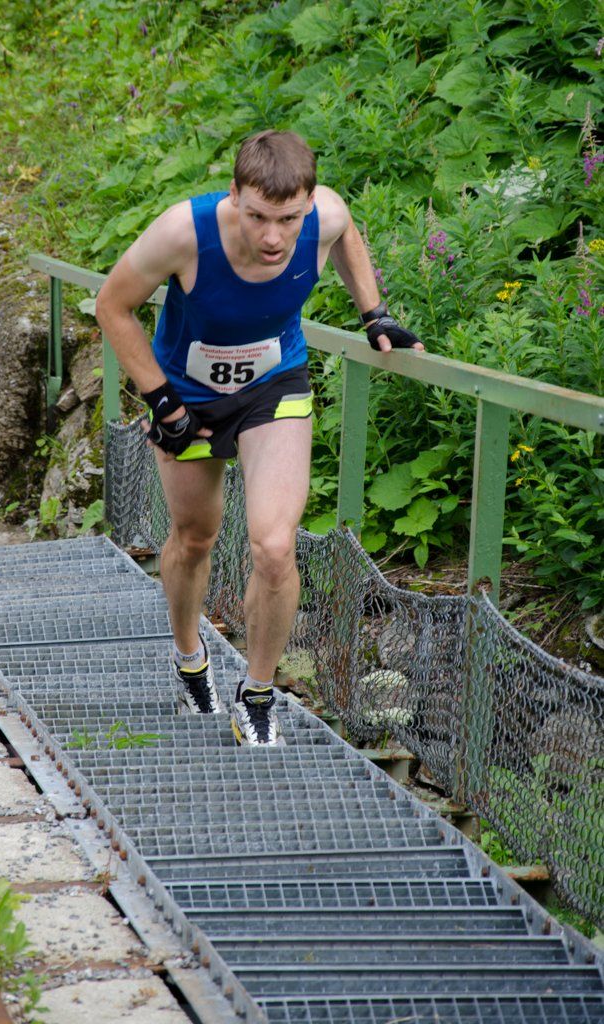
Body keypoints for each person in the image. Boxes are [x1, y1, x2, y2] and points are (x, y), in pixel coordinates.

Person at [95, 130, 423, 746]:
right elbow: (112, 305)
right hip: (186, 394)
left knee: (274, 546)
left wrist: (373, 313)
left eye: (289, 219)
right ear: (234, 197)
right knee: (195, 537)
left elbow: (345, 232)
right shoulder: (184, 233)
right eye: (257, 217)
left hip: (274, 384)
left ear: (308, 204)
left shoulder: (325, 214)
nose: (274, 237)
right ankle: (190, 659)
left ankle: (258, 694)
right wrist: (160, 400)